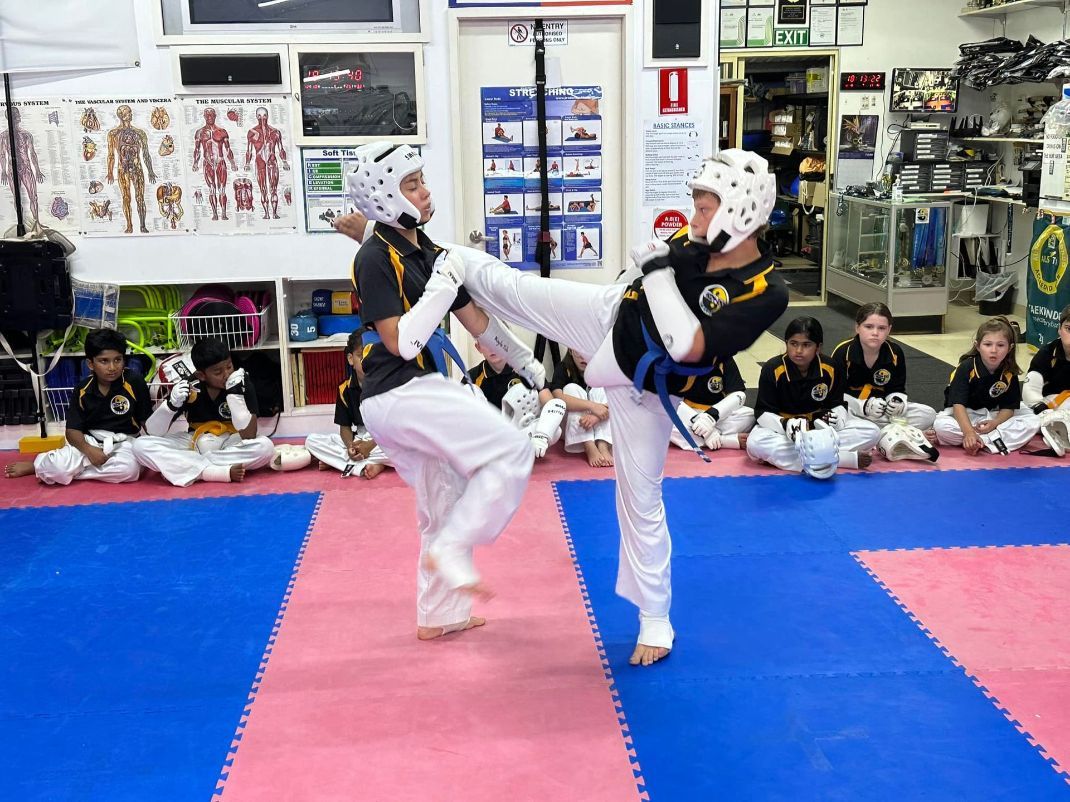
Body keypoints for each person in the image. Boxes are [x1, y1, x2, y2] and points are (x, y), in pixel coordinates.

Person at [341, 149, 787, 665]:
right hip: (609, 317)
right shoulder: (690, 241)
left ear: (741, 211)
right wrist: (376, 238)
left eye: (705, 206)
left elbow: (687, 343)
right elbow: (635, 283)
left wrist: (657, 275)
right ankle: (446, 592)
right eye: (695, 203)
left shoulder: (764, 293)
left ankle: (655, 620)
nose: (693, 217)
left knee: (640, 499)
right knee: (488, 275)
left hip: (647, 383)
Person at [346, 142, 545, 641]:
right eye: (411, 185)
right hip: (399, 391)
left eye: (421, 180)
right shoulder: (375, 258)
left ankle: (440, 615)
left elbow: (475, 321)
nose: (425, 192)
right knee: (513, 449)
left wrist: (522, 359)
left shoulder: (425, 250)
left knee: (444, 502)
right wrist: (441, 285)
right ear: (387, 196)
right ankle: (456, 548)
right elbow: (402, 340)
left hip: (408, 394)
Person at [4, 328, 150, 483]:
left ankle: (67, 470)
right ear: (91, 364)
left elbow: (146, 422)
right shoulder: (82, 389)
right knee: (56, 467)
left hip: (124, 442)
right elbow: (73, 431)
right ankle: (39, 465)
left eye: (117, 360)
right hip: (90, 441)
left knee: (129, 470)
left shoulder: (134, 382)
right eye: (104, 361)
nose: (112, 367)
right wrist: (89, 450)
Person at [747, 317, 881, 476]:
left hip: (820, 430)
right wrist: (785, 425)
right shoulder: (772, 369)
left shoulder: (830, 367)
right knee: (755, 444)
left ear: (818, 347)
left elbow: (838, 403)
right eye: (793, 344)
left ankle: (812, 457)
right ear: (786, 344)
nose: (798, 350)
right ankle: (841, 458)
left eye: (806, 345)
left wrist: (838, 418)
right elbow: (762, 412)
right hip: (786, 433)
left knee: (872, 431)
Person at [132, 338, 275, 485]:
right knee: (140, 445)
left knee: (265, 447)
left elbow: (249, 435)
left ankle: (187, 467)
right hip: (195, 440)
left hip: (232, 440)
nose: (226, 374)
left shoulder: (241, 381)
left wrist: (235, 397)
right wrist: (170, 406)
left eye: (229, 366)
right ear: (201, 375)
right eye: (218, 372)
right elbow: (152, 432)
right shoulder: (190, 386)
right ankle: (211, 471)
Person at [933, 317, 1041, 454]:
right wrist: (968, 432)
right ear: (978, 346)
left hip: (992, 416)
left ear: (1010, 348)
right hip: (964, 415)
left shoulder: (1009, 371)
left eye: (1000, 345)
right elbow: (958, 406)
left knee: (1033, 420)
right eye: (988, 344)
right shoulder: (966, 368)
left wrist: (994, 424)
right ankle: (988, 440)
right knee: (941, 427)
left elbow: (1009, 408)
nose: (994, 350)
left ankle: (982, 441)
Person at [830, 302, 937, 431]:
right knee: (836, 417)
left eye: (881, 328)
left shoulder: (895, 352)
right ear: (857, 327)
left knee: (928, 414)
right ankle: (883, 431)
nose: (875, 333)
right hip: (852, 409)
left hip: (882, 411)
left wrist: (897, 402)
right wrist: (863, 406)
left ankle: (874, 432)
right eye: (868, 327)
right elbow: (834, 395)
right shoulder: (843, 352)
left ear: (889, 329)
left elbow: (897, 388)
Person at [304, 331, 391, 479]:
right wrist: (351, 446)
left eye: (373, 356)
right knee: (311, 441)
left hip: (385, 438)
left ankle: (346, 464)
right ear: (351, 359)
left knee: (410, 447)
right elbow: (344, 428)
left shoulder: (388, 385)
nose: (367, 361)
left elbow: (394, 428)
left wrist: (370, 446)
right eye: (361, 356)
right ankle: (368, 463)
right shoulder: (344, 389)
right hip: (360, 438)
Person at [469, 342, 565, 460]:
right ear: (478, 347)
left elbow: (551, 404)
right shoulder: (473, 376)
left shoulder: (526, 370)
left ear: (508, 341)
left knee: (555, 430)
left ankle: (519, 447)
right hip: (491, 436)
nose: (492, 347)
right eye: (486, 343)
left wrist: (542, 433)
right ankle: (505, 449)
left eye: (496, 340)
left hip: (523, 428)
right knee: (469, 389)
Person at [671, 355, 753, 452]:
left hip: (718, 415)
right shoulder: (677, 359)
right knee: (664, 423)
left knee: (750, 416)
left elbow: (738, 395)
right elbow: (671, 400)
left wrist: (710, 418)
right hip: (688, 414)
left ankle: (700, 437)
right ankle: (724, 440)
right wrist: (700, 423)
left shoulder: (724, 357)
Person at [548, 350, 613, 468]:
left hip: (596, 421)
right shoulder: (563, 368)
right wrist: (592, 406)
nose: (583, 358)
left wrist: (596, 416)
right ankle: (589, 445)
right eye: (578, 353)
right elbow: (557, 397)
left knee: (601, 390)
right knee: (571, 388)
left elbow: (618, 399)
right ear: (571, 351)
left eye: (586, 352)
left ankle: (602, 444)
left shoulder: (601, 368)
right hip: (570, 425)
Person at [106, 104, 156, 234]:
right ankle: (129, 226)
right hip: (123, 170)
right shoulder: (114, 134)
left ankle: (143, 225)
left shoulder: (140, 133)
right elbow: (111, 155)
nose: (131, 114)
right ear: (122, 116)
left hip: (137, 168)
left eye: (130, 112)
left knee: (140, 197)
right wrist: (109, 172)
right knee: (126, 197)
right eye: (128, 112)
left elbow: (146, 153)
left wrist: (150, 171)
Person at [192, 107, 238, 221]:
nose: (209, 117)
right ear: (204, 116)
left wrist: (232, 163)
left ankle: (223, 213)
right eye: (207, 115)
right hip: (207, 163)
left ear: (215, 116)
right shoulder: (200, 132)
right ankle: (214, 214)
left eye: (211, 115)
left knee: (222, 189)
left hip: (220, 162)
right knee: (212, 189)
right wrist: (195, 163)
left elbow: (228, 149)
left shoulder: (222, 132)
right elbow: (197, 150)